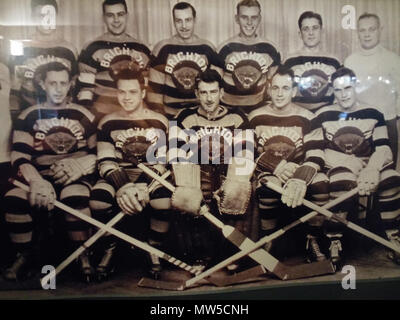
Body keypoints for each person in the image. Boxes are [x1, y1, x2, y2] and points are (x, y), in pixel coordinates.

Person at [289, 67, 400, 267]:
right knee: (343, 177)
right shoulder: (321, 115)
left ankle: (393, 238)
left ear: (356, 86)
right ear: (333, 90)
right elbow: (314, 152)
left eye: (348, 88)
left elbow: (384, 148)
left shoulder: (374, 113)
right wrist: (301, 177)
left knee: (392, 177)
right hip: (337, 170)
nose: (344, 95)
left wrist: (372, 168)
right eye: (338, 90)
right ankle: (334, 240)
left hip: (368, 171)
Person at [3, 62, 97, 282]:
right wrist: (36, 181)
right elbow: (19, 156)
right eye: (52, 83)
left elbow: (97, 152)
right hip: (39, 176)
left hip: (74, 175)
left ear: (71, 85)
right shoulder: (29, 115)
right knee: (13, 199)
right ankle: (24, 254)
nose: (58, 89)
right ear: (42, 85)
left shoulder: (84, 114)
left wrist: (81, 166)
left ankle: (82, 253)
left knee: (74, 197)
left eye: (63, 83)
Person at [89, 56, 171, 281]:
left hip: (149, 176)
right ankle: (110, 247)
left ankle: (153, 249)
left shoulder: (159, 121)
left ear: (143, 93)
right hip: (117, 175)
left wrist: (145, 188)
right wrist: (124, 187)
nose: (127, 98)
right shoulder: (107, 121)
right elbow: (105, 160)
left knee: (163, 199)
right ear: (117, 93)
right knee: (98, 200)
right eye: (122, 92)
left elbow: (161, 163)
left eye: (132, 92)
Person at [168, 68, 254, 271]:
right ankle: (201, 254)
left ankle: (231, 253)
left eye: (213, 92)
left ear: (221, 92)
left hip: (227, 169)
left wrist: (232, 179)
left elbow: (245, 152)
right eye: (204, 92)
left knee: (236, 190)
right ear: (196, 93)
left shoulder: (238, 116)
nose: (208, 98)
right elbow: (176, 151)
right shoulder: (183, 117)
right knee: (189, 195)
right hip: (197, 170)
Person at [248, 65, 329, 263]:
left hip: (300, 171)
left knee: (321, 184)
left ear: (294, 90)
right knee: (268, 187)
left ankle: (313, 239)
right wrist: (276, 166)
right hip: (268, 171)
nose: (279, 93)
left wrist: (300, 177)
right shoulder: (254, 117)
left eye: (285, 88)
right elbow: (246, 154)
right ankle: (270, 239)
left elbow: (317, 153)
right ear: (269, 89)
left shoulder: (308, 117)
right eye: (275, 88)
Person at [77, 0, 151, 120]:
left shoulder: (142, 49)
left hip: (135, 119)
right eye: (110, 15)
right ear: (104, 18)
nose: (116, 20)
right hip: (102, 117)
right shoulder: (92, 48)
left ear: (127, 15)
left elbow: (146, 91)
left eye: (120, 14)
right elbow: (85, 92)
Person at [147, 2, 221, 118]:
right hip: (170, 115)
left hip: (200, 116)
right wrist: (162, 120)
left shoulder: (207, 48)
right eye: (179, 21)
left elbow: (215, 91)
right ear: (174, 22)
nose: (184, 26)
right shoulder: (162, 48)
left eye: (188, 20)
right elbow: (154, 93)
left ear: (195, 20)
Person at [344, 13, 400, 168]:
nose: (367, 34)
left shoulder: (393, 59)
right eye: (362, 30)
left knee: (388, 173)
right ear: (358, 33)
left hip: (388, 123)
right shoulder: (350, 61)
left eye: (372, 29)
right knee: (362, 169)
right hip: (361, 123)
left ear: (380, 30)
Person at [9, 0, 78, 115]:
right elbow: (14, 92)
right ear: (32, 17)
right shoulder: (20, 47)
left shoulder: (69, 49)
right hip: (29, 114)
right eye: (41, 16)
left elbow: (74, 88)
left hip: (61, 115)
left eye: (50, 15)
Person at [217, 0, 281, 113]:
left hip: (259, 109)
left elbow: (275, 85)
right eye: (244, 17)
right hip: (229, 110)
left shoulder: (270, 48)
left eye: (254, 17)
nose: (249, 22)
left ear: (260, 18)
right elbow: (214, 83)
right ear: (237, 19)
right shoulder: (224, 48)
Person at [284, 11, 341, 113]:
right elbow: (284, 92)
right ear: (300, 33)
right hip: (298, 116)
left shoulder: (334, 61)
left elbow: (340, 93)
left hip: (326, 116)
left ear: (321, 31)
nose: (311, 33)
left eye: (315, 28)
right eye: (306, 29)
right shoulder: (290, 60)